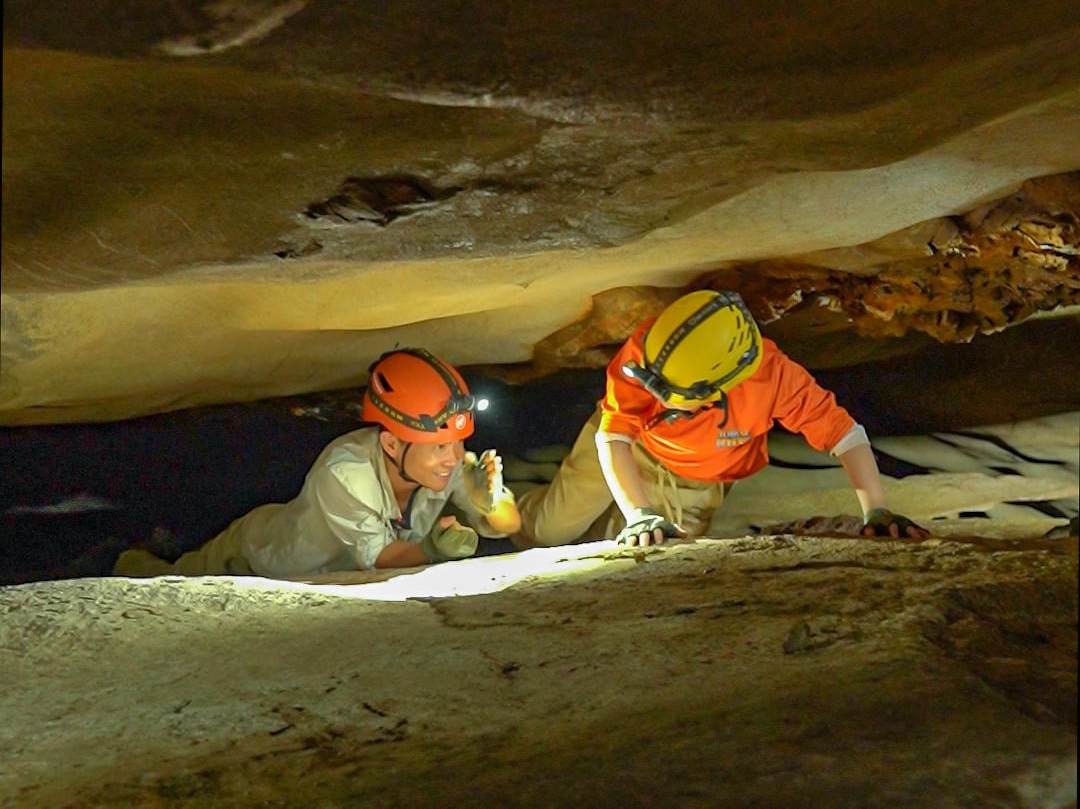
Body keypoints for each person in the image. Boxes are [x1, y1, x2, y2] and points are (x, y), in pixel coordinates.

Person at [514, 289, 929, 548]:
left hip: (697, 477)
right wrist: (639, 512)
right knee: (548, 532)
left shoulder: (774, 377)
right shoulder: (645, 353)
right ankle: (496, 508)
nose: (669, 407)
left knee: (634, 549)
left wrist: (876, 510)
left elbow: (845, 435)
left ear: (726, 384)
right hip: (627, 445)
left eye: (683, 400)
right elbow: (614, 437)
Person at [113, 348, 521, 578]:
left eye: (458, 441)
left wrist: (491, 503)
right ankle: (121, 559)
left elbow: (508, 526)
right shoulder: (346, 472)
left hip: (309, 564)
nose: (452, 456)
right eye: (437, 446)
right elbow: (379, 558)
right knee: (172, 579)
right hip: (257, 555)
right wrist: (432, 549)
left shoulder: (449, 465)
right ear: (393, 445)